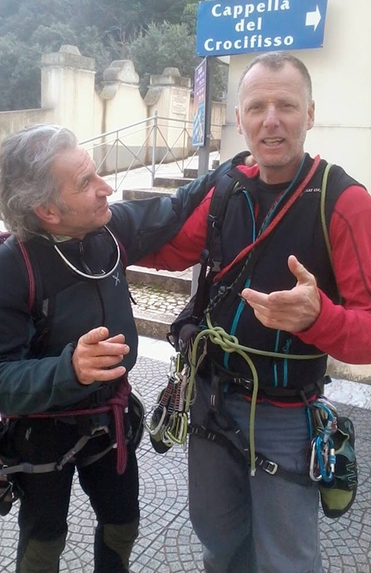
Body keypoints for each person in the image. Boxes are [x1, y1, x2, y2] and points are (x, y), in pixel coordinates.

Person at [139, 52, 371, 573]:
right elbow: (167, 246)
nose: (271, 119)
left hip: (286, 417)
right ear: (239, 118)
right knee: (218, 543)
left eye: (286, 105)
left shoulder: (344, 201)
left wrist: (319, 318)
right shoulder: (226, 189)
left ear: (309, 114)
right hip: (211, 401)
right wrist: (69, 238)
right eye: (257, 106)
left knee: (286, 560)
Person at [0, 123, 236, 573]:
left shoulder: (109, 233)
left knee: (122, 525)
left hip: (109, 421)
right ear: (47, 210)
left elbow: (172, 208)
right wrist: (68, 368)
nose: (105, 188)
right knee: (43, 542)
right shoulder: (7, 271)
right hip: (42, 436)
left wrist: (231, 169)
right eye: (86, 183)